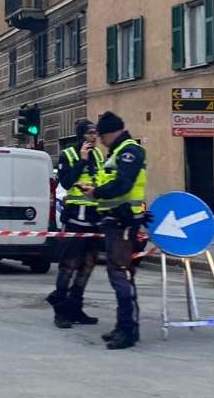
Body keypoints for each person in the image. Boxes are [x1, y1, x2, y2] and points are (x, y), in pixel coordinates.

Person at [81, 111, 148, 350]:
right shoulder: (117, 152)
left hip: (123, 222)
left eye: (101, 135)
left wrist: (96, 193)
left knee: (121, 275)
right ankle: (125, 326)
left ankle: (127, 330)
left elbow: (122, 184)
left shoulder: (129, 151)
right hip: (114, 221)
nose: (99, 140)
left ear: (111, 132)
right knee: (119, 274)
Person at [46, 119, 103, 329]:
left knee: (88, 265)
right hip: (75, 218)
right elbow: (67, 182)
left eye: (95, 133)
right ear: (81, 135)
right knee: (68, 265)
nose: (94, 137)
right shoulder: (68, 154)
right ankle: (60, 309)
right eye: (90, 133)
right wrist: (82, 160)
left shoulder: (98, 154)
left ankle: (75, 307)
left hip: (94, 216)